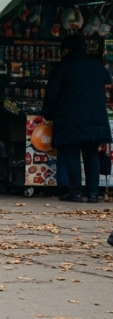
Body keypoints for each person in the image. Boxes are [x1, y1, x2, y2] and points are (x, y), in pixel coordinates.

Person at [43, 34, 112, 204]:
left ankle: (75, 193)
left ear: (66, 49)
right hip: (94, 116)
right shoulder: (96, 65)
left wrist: (47, 114)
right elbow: (107, 81)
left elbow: (52, 94)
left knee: (71, 154)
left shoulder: (63, 67)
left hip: (70, 117)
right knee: (91, 154)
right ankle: (93, 194)